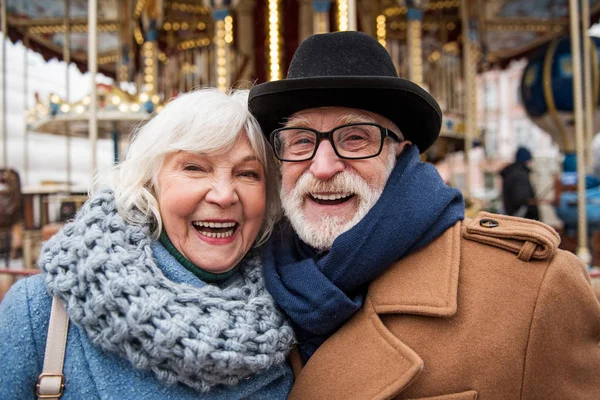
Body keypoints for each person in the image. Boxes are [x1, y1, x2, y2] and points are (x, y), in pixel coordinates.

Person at [248, 31, 600, 399]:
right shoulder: (244, 285)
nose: (322, 167)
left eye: (355, 138)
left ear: (400, 154)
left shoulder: (532, 292)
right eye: (302, 141)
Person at [0, 89, 295, 399]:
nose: (224, 195)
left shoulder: (296, 306)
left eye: (247, 173)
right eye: (194, 168)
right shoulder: (42, 313)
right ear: (149, 184)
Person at [500, 146, 539, 219]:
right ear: (526, 160)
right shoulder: (520, 175)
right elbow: (521, 198)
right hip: (521, 216)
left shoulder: (511, 172)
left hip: (511, 212)